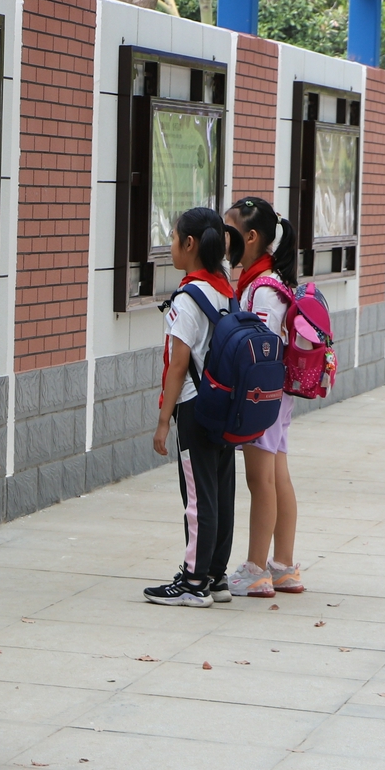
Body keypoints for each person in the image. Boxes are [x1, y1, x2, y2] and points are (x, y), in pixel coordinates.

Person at [142, 207, 239, 606]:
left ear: (190, 244)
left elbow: (178, 363)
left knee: (199, 496)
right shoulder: (224, 287)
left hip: (195, 408)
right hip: (226, 404)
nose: (170, 246)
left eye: (173, 238)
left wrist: (163, 420)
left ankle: (194, 582)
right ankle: (216, 575)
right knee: (222, 489)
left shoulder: (187, 298)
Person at [223, 197, 305, 597]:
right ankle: (284, 566)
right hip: (277, 394)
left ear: (251, 237)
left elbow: (262, 349)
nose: (223, 239)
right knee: (278, 475)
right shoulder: (270, 280)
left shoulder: (261, 288)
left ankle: (256, 568)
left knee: (261, 480)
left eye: (229, 231)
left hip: (262, 395)